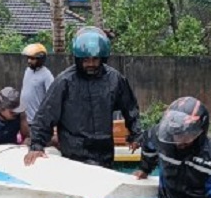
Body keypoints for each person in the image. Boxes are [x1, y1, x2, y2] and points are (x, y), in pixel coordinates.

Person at [24, 26, 142, 169]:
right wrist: (37, 145)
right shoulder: (65, 82)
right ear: (78, 59)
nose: (90, 64)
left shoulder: (115, 79)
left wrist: (136, 134)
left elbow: (130, 108)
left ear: (102, 58)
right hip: (74, 154)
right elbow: (46, 114)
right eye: (86, 60)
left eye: (95, 59)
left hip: (104, 153)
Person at [20, 43, 54, 126]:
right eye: (28, 58)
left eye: (32, 59)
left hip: (36, 121)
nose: (29, 61)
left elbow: (52, 97)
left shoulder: (46, 75)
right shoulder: (28, 71)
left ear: (40, 59)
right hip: (24, 118)